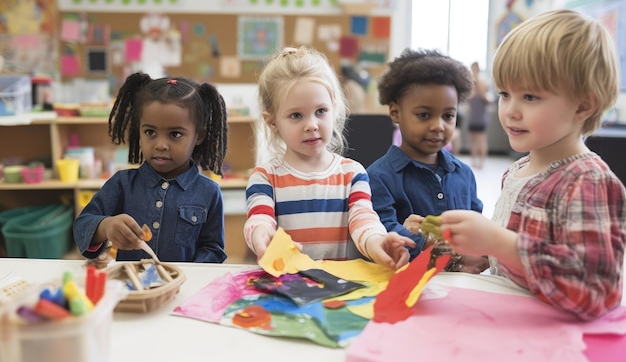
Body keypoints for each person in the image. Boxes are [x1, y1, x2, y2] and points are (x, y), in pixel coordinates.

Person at [440, 9, 626, 320]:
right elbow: (516, 259)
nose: (510, 111)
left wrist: (501, 243)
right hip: (513, 324)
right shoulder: (518, 170)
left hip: (556, 339)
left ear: (583, 105)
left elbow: (596, 290)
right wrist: (477, 252)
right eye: (504, 94)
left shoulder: (587, 181)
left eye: (529, 97)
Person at [244, 46, 415, 269]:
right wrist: (262, 235)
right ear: (272, 122)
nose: (312, 125)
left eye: (321, 111)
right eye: (296, 115)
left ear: (334, 108)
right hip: (289, 287)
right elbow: (259, 220)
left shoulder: (353, 173)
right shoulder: (265, 178)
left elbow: (363, 219)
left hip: (342, 289)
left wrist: (377, 242)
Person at [73, 72, 229, 263]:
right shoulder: (122, 183)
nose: (160, 144)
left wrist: (189, 274)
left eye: (175, 134)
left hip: (183, 288)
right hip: (131, 287)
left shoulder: (209, 191)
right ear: (138, 131)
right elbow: (82, 226)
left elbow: (213, 249)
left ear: (199, 136)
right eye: (150, 132)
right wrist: (106, 226)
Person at [367, 48, 488, 273]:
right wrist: (422, 239)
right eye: (424, 115)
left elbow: (476, 224)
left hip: (462, 288)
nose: (438, 126)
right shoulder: (378, 177)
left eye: (448, 116)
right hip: (404, 284)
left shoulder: (464, 174)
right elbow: (379, 231)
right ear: (395, 112)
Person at [467, 61, 491, 169]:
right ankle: (473, 161)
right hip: (473, 117)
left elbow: (487, 100)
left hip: (481, 117)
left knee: (481, 139)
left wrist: (480, 91)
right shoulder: (471, 85)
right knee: (473, 140)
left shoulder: (482, 84)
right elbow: (468, 101)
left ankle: (481, 162)